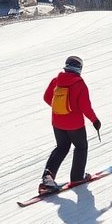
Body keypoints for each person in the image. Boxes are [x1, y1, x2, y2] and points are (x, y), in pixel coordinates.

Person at [39, 55, 101, 194]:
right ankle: (77, 177)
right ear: (79, 68)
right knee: (81, 147)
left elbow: (47, 97)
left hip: (57, 122)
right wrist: (95, 120)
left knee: (61, 147)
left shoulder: (56, 80)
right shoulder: (79, 83)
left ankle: (47, 179)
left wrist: (60, 108)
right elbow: (85, 106)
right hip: (75, 124)